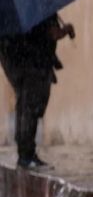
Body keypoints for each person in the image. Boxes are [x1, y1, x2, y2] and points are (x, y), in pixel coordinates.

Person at [0, 14, 73, 170]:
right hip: (32, 61)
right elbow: (52, 33)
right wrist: (65, 30)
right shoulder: (38, 4)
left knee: (25, 103)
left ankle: (25, 153)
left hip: (13, 58)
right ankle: (26, 156)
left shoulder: (14, 5)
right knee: (30, 105)